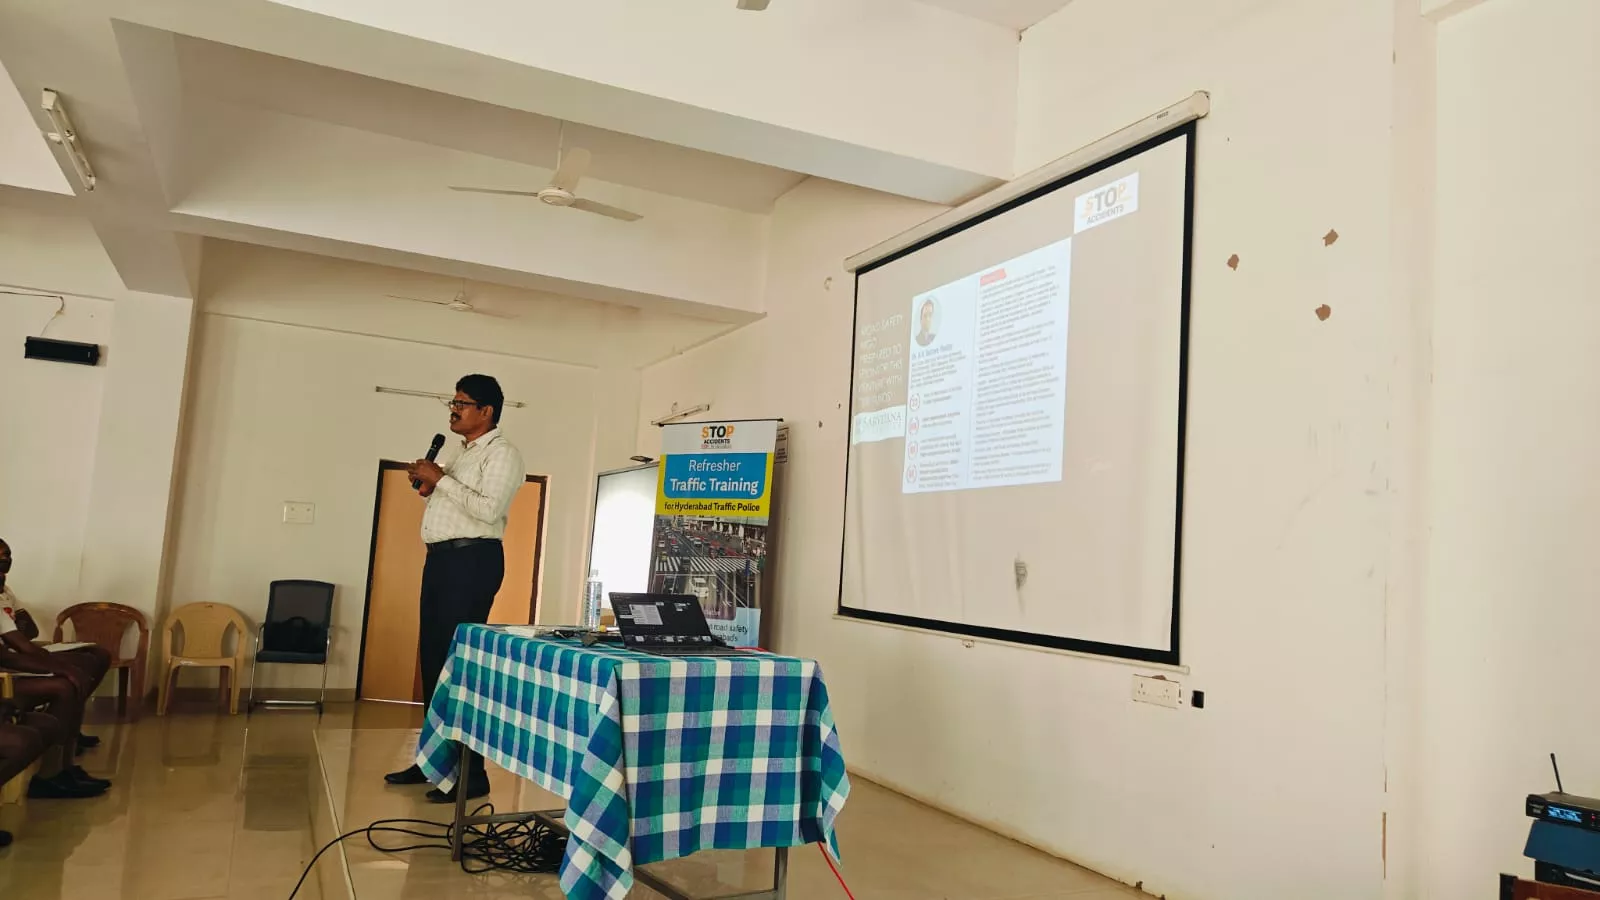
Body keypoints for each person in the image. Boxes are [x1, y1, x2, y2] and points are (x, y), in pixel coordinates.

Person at [384, 374, 524, 804]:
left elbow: (488, 510)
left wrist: (440, 479)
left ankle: (470, 774)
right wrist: (434, 485)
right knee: (434, 662)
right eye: (454, 401)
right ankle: (433, 760)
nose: (454, 409)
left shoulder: (502, 453)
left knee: (459, 667)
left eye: (463, 403)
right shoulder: (462, 454)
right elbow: (459, 503)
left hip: (471, 563)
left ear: (487, 411)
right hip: (443, 563)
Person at [0, 538, 111, 742]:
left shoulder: (5, 592)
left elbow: (29, 629)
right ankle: (61, 739)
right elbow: (16, 647)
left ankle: (68, 730)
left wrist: (13, 635)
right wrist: (59, 666)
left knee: (98, 655)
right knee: (74, 674)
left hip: (14, 653)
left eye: (6, 557)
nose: (3, 567)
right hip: (8, 664)